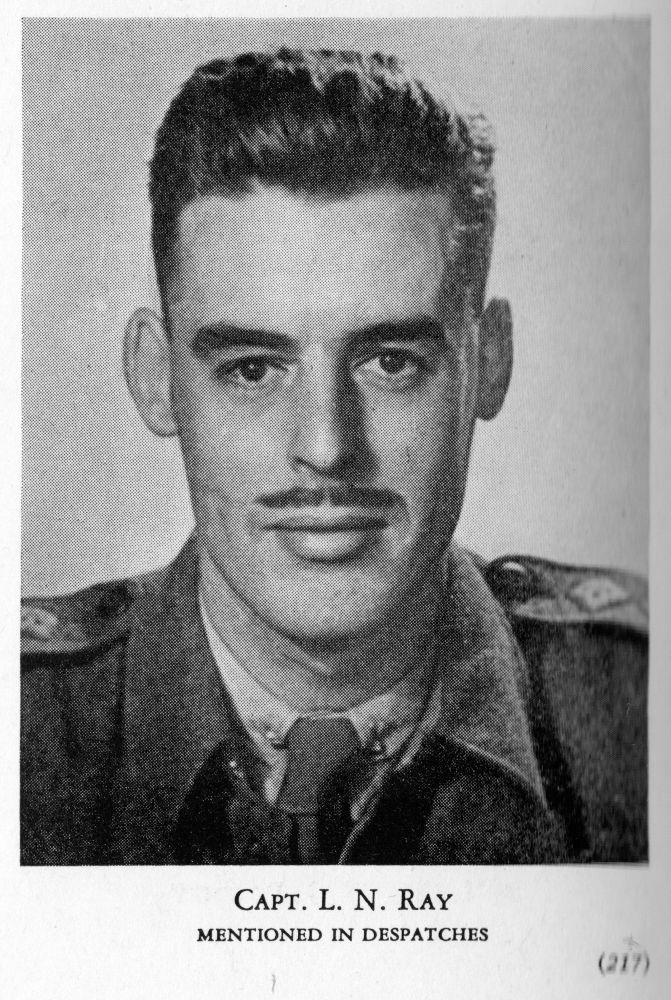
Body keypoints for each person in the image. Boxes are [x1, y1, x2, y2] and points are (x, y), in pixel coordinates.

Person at [21, 49, 648, 865]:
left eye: (389, 361)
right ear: (155, 378)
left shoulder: (634, 712)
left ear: (488, 361)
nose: (324, 447)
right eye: (252, 368)